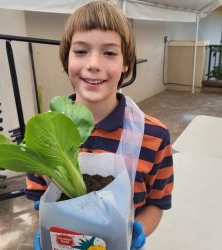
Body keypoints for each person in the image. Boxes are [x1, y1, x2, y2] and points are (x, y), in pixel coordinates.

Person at [26, 1, 174, 249]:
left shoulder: (154, 135)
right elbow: (37, 194)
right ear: (66, 59)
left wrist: (134, 232)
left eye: (109, 53)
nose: (94, 64)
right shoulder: (44, 133)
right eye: (81, 51)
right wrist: (47, 224)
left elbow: (157, 203)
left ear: (126, 63)